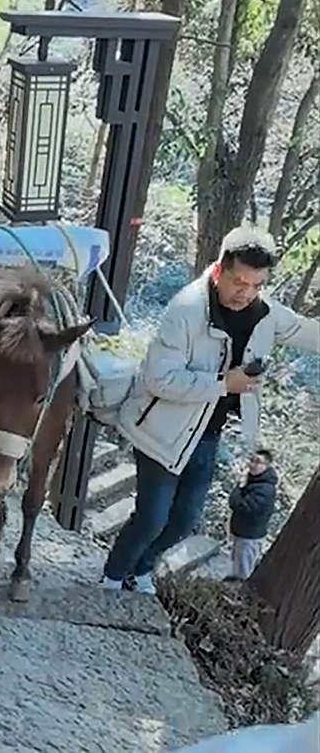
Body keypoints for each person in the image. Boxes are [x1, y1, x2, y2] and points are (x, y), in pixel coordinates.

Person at [102, 226, 320, 595]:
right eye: (238, 282)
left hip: (207, 434)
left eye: (256, 285)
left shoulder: (265, 313)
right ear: (219, 270)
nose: (245, 293)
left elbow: (305, 331)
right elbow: (160, 378)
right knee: (152, 519)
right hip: (161, 432)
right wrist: (223, 384)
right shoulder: (186, 310)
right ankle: (109, 580)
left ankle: (138, 571)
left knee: (184, 522)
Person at [226, 449, 277, 581]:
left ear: (267, 466)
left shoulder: (264, 489)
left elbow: (241, 505)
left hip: (250, 537)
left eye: (258, 462)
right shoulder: (254, 482)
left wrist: (238, 489)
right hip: (242, 533)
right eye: (252, 460)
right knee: (235, 566)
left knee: (243, 571)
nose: (252, 464)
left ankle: (239, 595)